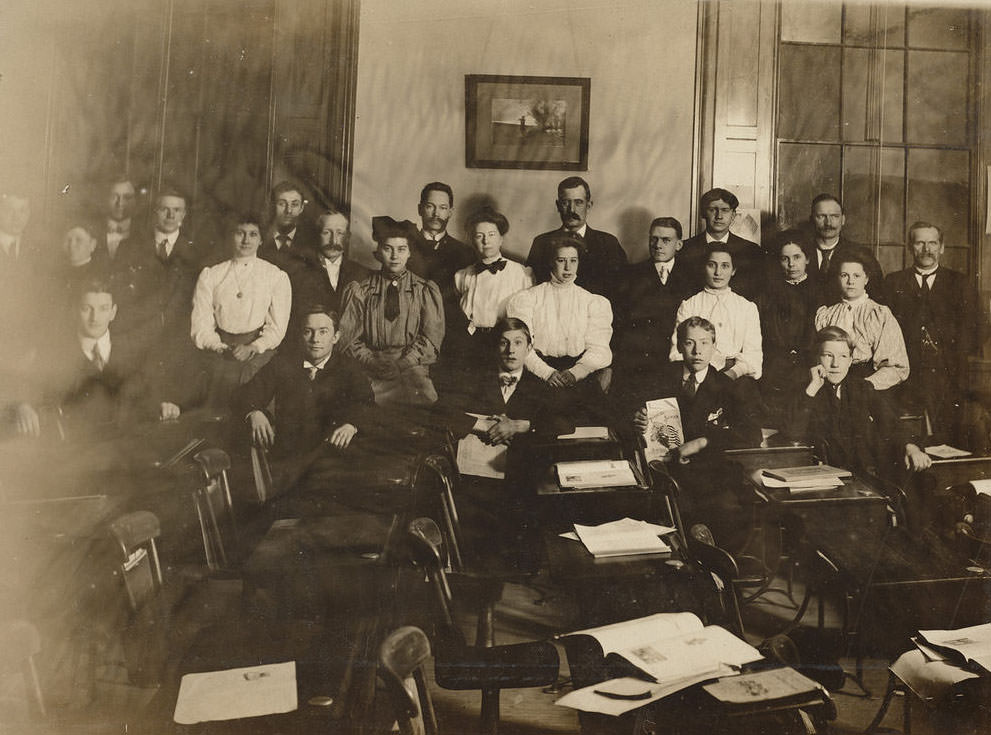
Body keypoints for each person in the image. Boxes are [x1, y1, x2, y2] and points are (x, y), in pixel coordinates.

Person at [629, 316, 761, 550]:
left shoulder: (727, 386)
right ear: (679, 346)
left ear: (714, 347)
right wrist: (638, 421)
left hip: (711, 475)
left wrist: (704, 441)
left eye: (704, 343)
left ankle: (715, 571)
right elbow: (634, 420)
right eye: (690, 343)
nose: (697, 351)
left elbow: (752, 434)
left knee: (724, 510)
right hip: (666, 471)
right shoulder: (658, 379)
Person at [12, 279, 183, 437]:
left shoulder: (132, 350)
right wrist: (22, 405)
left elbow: (146, 398)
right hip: (78, 452)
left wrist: (163, 407)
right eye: (87, 309)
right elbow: (23, 387)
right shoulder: (55, 353)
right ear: (75, 311)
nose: (95, 318)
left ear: (113, 312)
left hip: (129, 448)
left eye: (103, 309)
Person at [232, 305, 375, 463]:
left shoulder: (348, 367)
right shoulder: (282, 363)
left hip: (332, 457)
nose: (315, 339)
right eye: (308, 331)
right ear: (300, 335)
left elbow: (366, 403)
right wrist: (254, 413)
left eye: (323, 331)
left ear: (335, 337)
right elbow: (245, 394)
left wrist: (351, 424)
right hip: (288, 456)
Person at [786, 326, 931, 477]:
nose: (836, 364)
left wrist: (911, 447)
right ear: (817, 358)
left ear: (850, 361)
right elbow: (792, 432)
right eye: (828, 355)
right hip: (823, 476)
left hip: (862, 474)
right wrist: (813, 387)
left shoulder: (861, 388)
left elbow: (890, 422)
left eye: (843, 356)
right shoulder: (807, 390)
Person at [885, 221, 980, 444]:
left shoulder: (961, 283)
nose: (927, 249)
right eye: (920, 243)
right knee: (909, 436)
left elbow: (977, 327)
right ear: (910, 247)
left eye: (932, 243)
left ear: (942, 247)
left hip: (949, 375)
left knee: (949, 438)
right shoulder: (893, 282)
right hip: (907, 375)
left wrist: (951, 353)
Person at [339, 216, 445, 407]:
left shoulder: (423, 290)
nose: (395, 256)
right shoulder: (361, 290)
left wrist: (402, 364)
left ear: (410, 253)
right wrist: (372, 362)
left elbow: (431, 339)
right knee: (364, 407)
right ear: (378, 252)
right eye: (388, 249)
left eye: (401, 249)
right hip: (371, 367)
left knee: (424, 405)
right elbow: (349, 339)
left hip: (412, 368)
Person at [507, 233, 612, 422]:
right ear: (550, 262)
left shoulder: (592, 302)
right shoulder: (528, 298)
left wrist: (576, 373)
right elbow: (520, 347)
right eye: (561, 260)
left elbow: (600, 348)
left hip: (578, 375)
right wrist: (546, 373)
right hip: (538, 375)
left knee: (602, 427)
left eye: (573, 260)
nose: (567, 267)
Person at [191, 214, 292, 407]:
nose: (246, 240)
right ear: (231, 236)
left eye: (253, 234)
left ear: (261, 239)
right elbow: (201, 324)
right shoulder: (211, 275)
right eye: (240, 233)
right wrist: (219, 347)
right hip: (219, 351)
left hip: (259, 355)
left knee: (252, 405)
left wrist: (253, 347)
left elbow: (277, 329)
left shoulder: (275, 276)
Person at [440, 317, 571, 444]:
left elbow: (567, 424)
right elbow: (440, 411)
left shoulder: (540, 387)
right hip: (473, 462)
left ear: (529, 348)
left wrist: (518, 425)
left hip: (521, 463)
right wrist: (483, 425)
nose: (511, 350)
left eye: (518, 342)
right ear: (495, 347)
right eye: (503, 343)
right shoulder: (473, 380)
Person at [111, 185, 202, 354]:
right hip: (136, 334)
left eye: (176, 210)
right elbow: (119, 293)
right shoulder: (129, 247)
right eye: (164, 209)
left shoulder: (195, 253)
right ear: (155, 212)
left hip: (176, 339)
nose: (170, 215)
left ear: (184, 214)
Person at [446, 207, 533, 377]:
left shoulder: (521, 273)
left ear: (501, 238)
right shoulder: (463, 275)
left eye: (492, 235)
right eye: (479, 236)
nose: (486, 241)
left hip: (503, 345)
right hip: (471, 344)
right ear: (472, 240)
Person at [613, 216, 694, 393]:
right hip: (638, 363)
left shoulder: (692, 277)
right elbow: (619, 324)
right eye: (654, 239)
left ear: (678, 245)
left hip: (676, 363)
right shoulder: (631, 275)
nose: (658, 245)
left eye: (666, 240)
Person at [814, 251, 908, 391]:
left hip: (868, 384)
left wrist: (865, 386)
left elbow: (896, 367)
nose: (850, 281)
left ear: (866, 279)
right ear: (837, 278)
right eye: (844, 275)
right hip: (829, 384)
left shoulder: (879, 314)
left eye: (856, 276)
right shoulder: (826, 314)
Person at [525, 176, 627, 301]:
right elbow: (532, 289)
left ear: (589, 206)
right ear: (558, 205)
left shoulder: (608, 244)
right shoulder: (541, 243)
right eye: (565, 202)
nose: (572, 209)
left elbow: (622, 293)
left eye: (578, 202)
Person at [669, 244, 762, 381]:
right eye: (712, 265)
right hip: (696, 376)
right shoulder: (689, 305)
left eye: (725, 266)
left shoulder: (747, 308)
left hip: (735, 377)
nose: (718, 272)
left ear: (733, 270)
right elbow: (676, 354)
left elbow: (753, 358)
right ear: (703, 267)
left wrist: (729, 376)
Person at [756, 229, 821, 424]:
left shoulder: (820, 291)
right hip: (775, 365)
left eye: (797, 257)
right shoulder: (767, 294)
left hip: (809, 365)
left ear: (807, 259)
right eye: (785, 259)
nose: (791, 264)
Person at [680, 188, 764, 299]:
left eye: (725, 210)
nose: (719, 216)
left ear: (733, 215)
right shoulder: (685, 249)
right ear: (704, 213)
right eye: (713, 210)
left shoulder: (751, 251)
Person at [289, 206, 369, 319]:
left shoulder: (362, 274)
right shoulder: (297, 272)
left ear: (347, 237)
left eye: (340, 233)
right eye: (326, 232)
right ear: (317, 235)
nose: (334, 241)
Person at [804, 193, 884, 304]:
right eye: (821, 216)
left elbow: (877, 295)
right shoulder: (799, 252)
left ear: (843, 220)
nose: (828, 223)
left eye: (834, 216)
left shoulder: (861, 254)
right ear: (812, 220)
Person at [407, 181, 475, 292]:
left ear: (450, 212)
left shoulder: (465, 253)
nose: (436, 214)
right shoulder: (403, 248)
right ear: (420, 209)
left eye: (442, 208)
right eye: (430, 206)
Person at [258, 180, 315, 274]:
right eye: (282, 204)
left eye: (295, 204)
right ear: (272, 206)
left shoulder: (311, 243)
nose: (288, 210)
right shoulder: (259, 239)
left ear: (301, 208)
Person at [95, 175, 137, 264]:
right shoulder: (92, 231)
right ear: (105, 198)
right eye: (114, 196)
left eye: (127, 197)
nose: (120, 203)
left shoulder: (146, 233)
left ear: (135, 200)